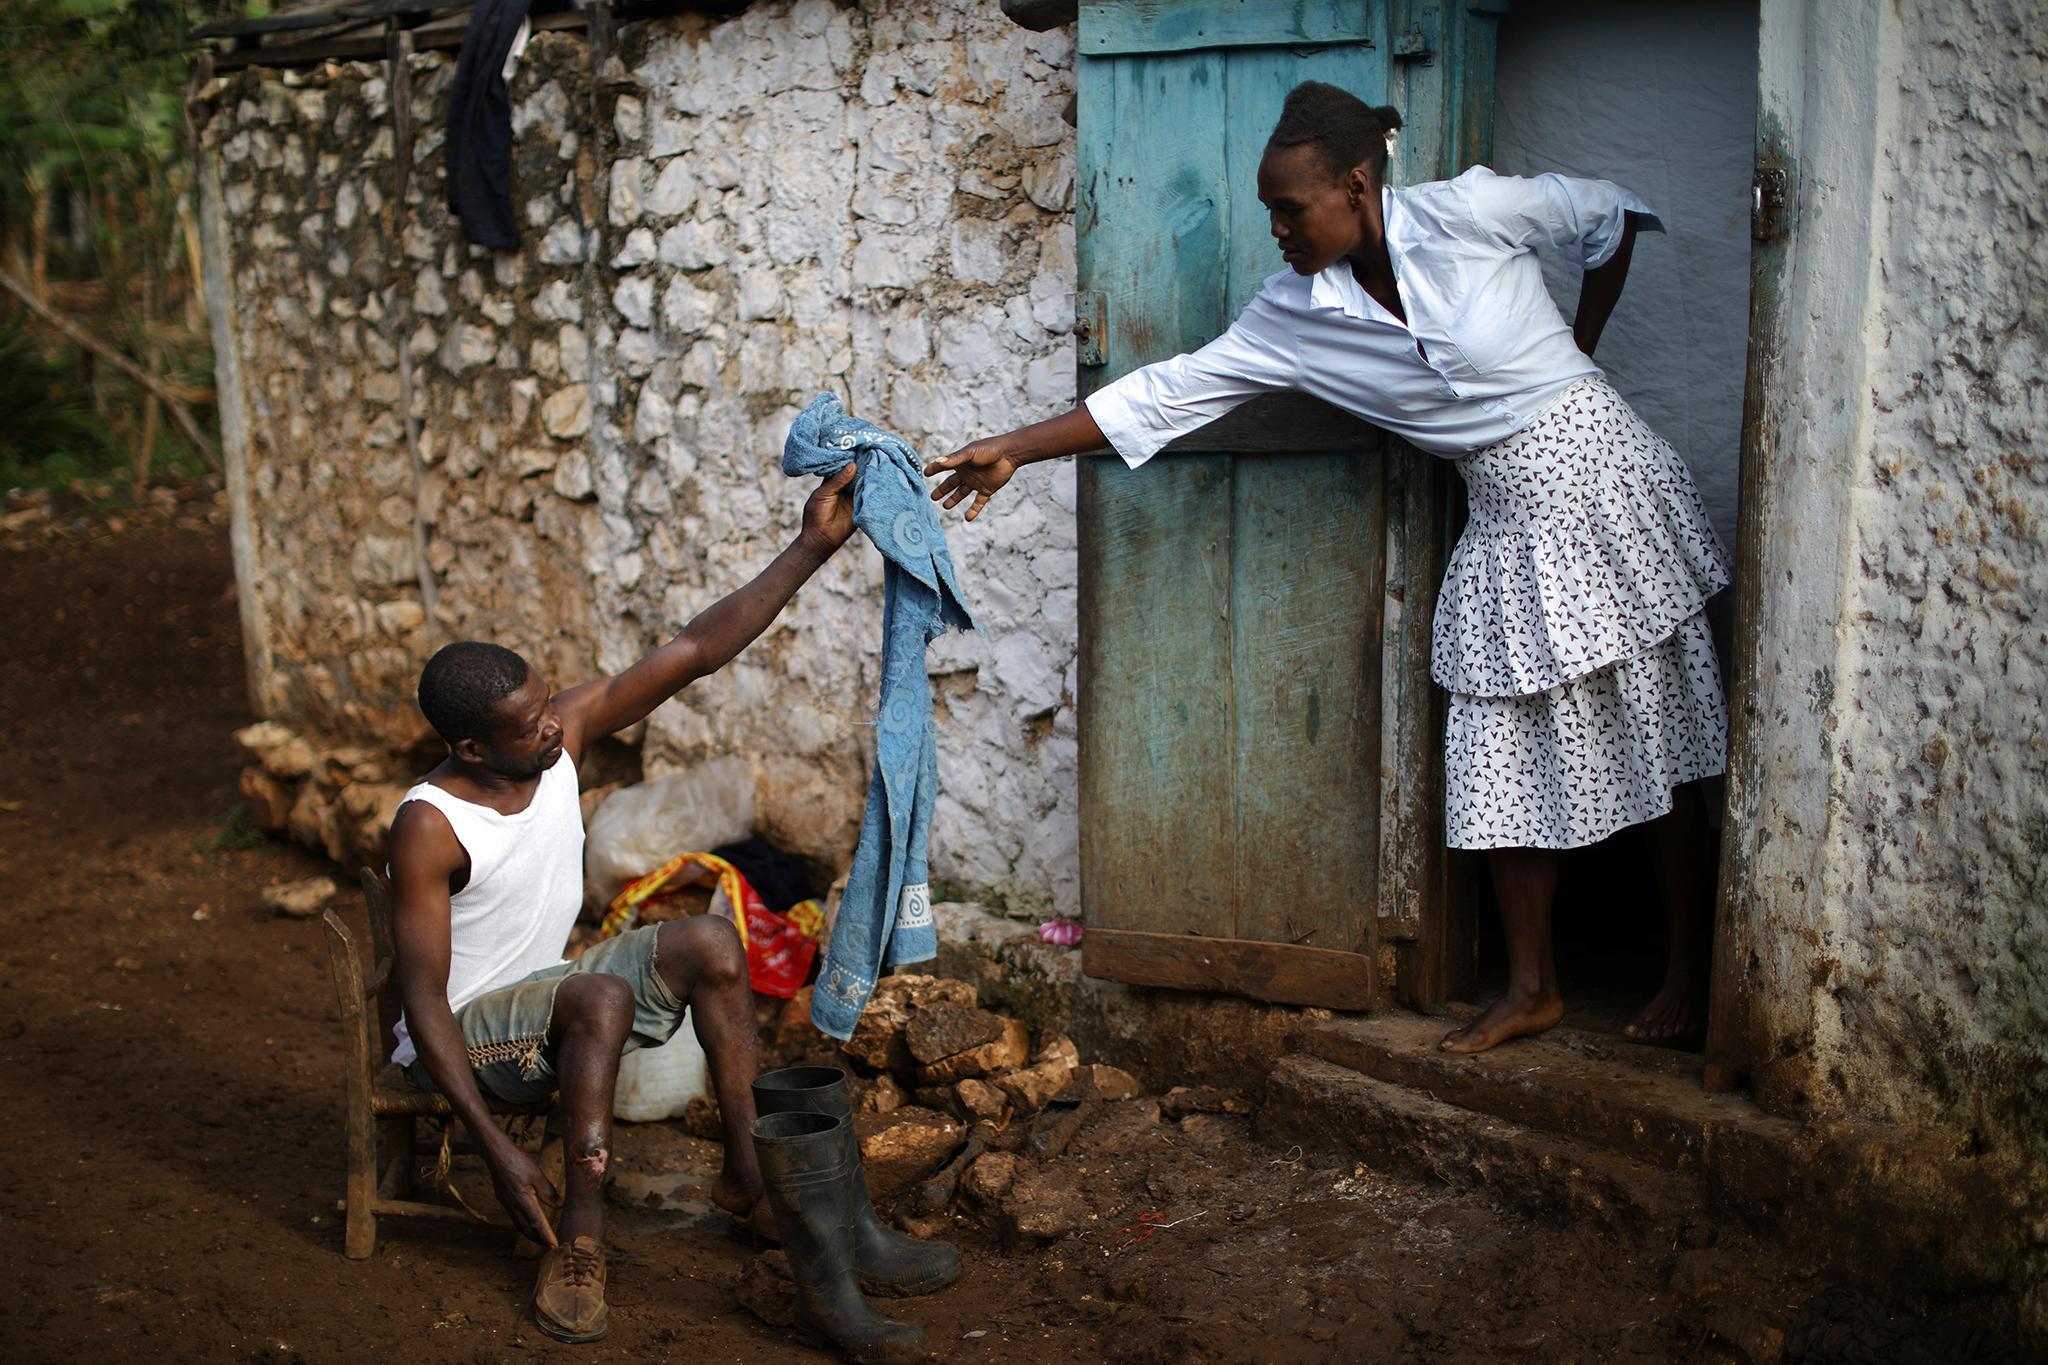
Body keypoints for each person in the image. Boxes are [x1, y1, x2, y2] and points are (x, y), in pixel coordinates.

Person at [924, 81, 1730, 1055]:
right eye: (1267, 211)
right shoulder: (1292, 315)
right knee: (1494, 751)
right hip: (1506, 511)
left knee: (1661, 735)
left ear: (1354, 185)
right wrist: (1014, 445)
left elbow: (1606, 216)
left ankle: (1690, 965)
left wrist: (1578, 348)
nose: (1276, 228)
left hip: (1604, 482)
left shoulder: (1468, 212)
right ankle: (1532, 988)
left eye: (1289, 207)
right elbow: (1169, 393)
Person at [386, 464, 855, 1343]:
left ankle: (752, 1181)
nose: (554, 727)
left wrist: (810, 546)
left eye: (546, 705)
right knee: (596, 993)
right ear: (469, 746)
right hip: (463, 1035)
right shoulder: (430, 826)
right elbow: (419, 1002)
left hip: (550, 992)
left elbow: (693, 649)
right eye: (529, 726)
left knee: (712, 940)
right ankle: (578, 1241)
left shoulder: (552, 743)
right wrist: (496, 1147)